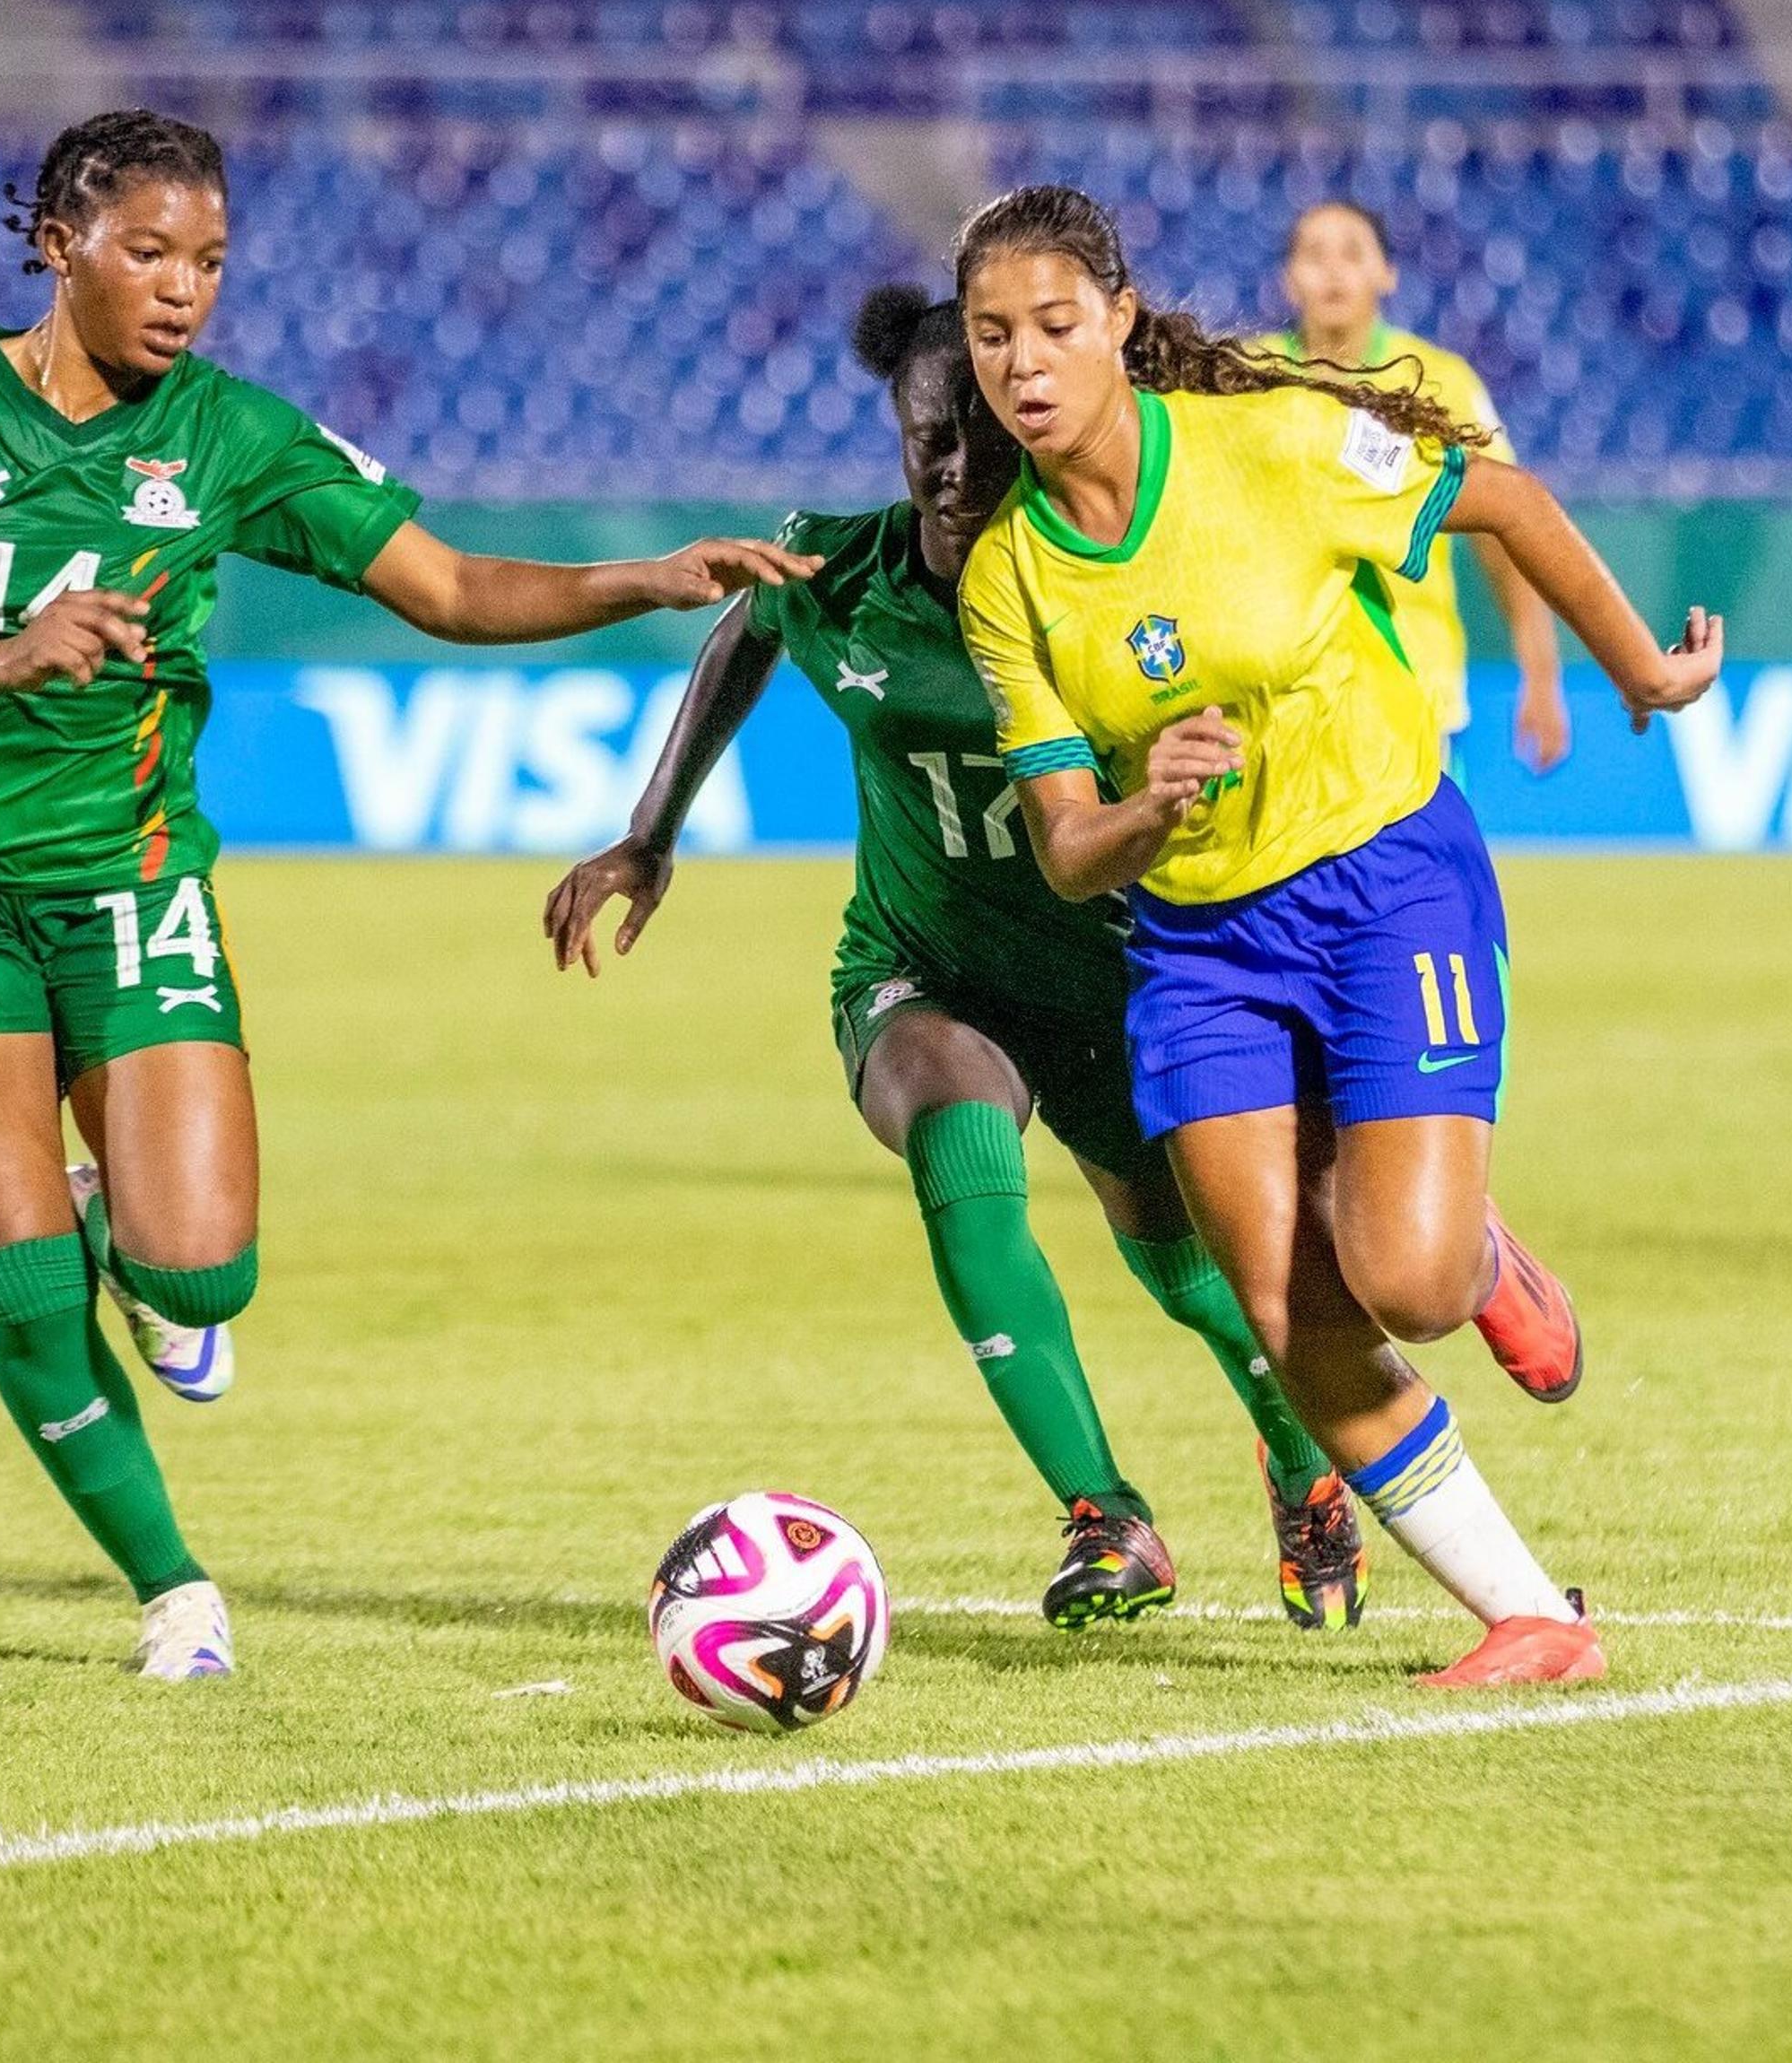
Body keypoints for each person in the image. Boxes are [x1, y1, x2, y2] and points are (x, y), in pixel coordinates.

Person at [0, 109, 814, 1679]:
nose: (182, 289)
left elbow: (455, 585)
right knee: (15, 1284)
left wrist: (643, 579)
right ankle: (176, 1590)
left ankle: (118, 1231)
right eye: (148, 251)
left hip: (130, 886)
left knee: (202, 1273)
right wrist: (17, 650)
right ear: (62, 241)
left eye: (207, 260)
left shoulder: (228, 435)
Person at [948, 186, 1724, 1687]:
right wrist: (1150, 812)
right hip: (1196, 941)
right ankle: (1534, 1619)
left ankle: (1477, 1254)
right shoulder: (1009, 577)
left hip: (1384, 875)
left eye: (1053, 325)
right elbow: (1063, 849)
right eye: (993, 338)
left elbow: (1503, 498)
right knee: (1287, 1312)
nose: (1024, 363)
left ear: (1117, 317)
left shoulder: (1278, 442)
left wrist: (1642, 673)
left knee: (1412, 1282)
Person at [544, 285, 1370, 1632]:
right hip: (921, 966)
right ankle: (1106, 1515)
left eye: (978, 435)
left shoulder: (1094, 588)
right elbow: (748, 630)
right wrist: (652, 834)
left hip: (1109, 973)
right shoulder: (838, 575)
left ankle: (1300, 1458)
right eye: (927, 436)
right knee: (954, 1135)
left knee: (1189, 1275)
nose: (953, 466)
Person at [1268, 199, 1571, 776]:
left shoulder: (1441, 383)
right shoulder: (1243, 381)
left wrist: (1541, 672)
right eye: (1314, 255)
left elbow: (1503, 534)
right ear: (1288, 280)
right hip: (1281, 700)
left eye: (1353, 253)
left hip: (1414, 695)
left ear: (1387, 273)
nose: (1333, 271)